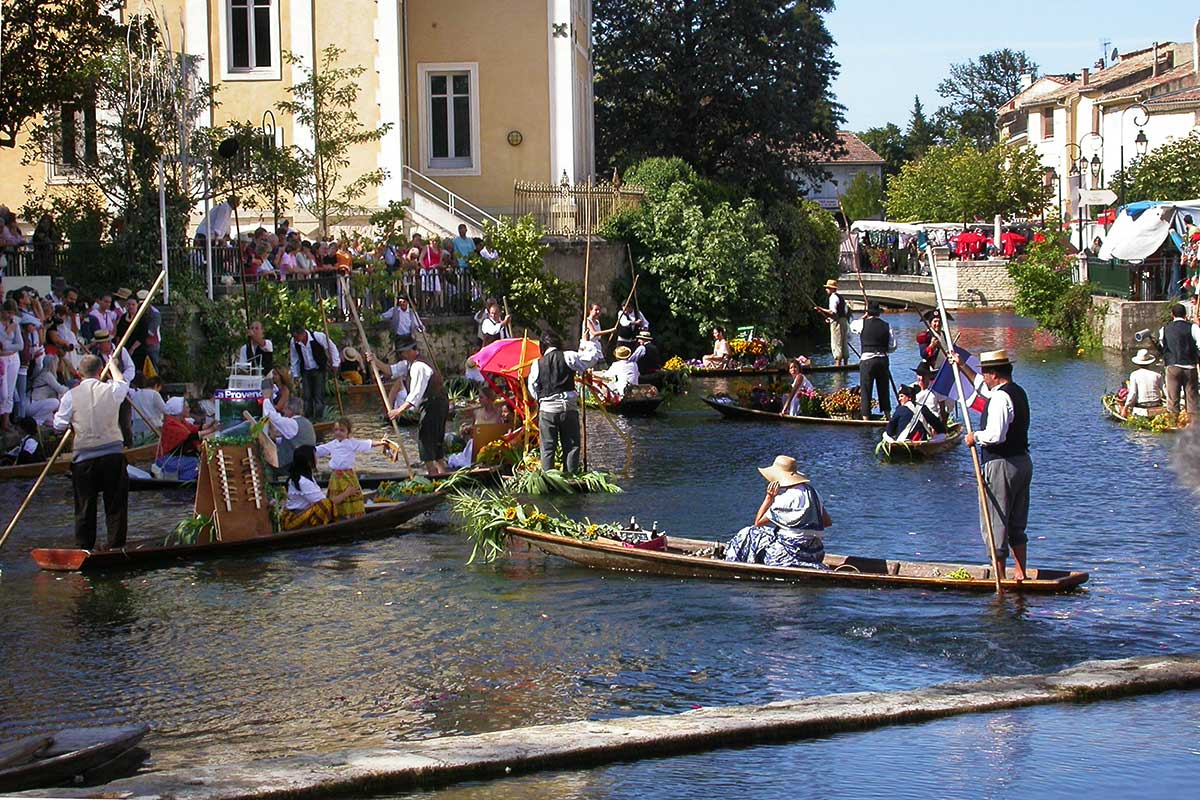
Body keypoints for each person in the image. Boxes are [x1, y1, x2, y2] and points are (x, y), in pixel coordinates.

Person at [949, 349, 1032, 582]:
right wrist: (961, 364)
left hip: (1001, 464)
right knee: (1017, 522)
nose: (982, 376)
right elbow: (980, 386)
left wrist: (974, 437)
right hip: (1022, 462)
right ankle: (1021, 574)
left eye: (984, 372)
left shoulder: (999, 398)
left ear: (994, 374)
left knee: (995, 521)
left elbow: (995, 435)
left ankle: (1000, 577)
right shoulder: (1017, 392)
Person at [53, 354, 131, 551]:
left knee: (85, 506)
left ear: (79, 374)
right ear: (100, 372)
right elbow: (122, 382)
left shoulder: (70, 396)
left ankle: (85, 547)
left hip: (84, 459)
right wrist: (112, 365)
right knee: (115, 504)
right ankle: (115, 545)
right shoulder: (112, 390)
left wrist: (72, 422)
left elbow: (58, 425)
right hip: (112, 455)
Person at [723, 455, 832, 568]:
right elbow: (827, 522)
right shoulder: (813, 493)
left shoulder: (785, 498)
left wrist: (769, 497)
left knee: (749, 532)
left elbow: (758, 522)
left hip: (790, 554)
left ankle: (734, 563)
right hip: (816, 553)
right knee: (771, 532)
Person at [526, 331, 602, 472]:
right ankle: (570, 476)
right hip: (568, 408)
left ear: (542, 347)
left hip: (547, 410)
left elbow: (532, 386)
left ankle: (549, 479)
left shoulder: (537, 364)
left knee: (548, 448)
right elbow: (592, 359)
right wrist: (587, 342)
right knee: (572, 446)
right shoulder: (569, 356)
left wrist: (541, 399)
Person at [379, 335, 449, 475]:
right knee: (432, 440)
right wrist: (374, 360)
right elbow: (391, 370)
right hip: (432, 404)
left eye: (403, 352)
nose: (401, 355)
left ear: (410, 351)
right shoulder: (408, 364)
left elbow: (416, 394)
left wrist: (398, 410)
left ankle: (435, 475)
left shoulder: (419, 366)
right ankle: (441, 474)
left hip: (434, 404)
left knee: (426, 440)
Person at [315, 417, 388, 519]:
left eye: (342, 430)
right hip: (336, 476)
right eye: (336, 430)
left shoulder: (352, 443)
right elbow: (319, 450)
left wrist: (381, 442)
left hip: (348, 475)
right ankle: (338, 515)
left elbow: (367, 443)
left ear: (348, 432)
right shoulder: (332, 444)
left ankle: (353, 515)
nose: (338, 433)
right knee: (337, 497)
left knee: (351, 495)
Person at [280, 445, 349, 530]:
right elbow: (325, 502)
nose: (317, 458)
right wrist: (347, 493)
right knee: (326, 504)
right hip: (294, 519)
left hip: (302, 513)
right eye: (314, 456)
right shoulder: (303, 481)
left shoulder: (305, 476)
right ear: (309, 462)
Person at [849, 301, 896, 420]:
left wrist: (864, 317)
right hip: (883, 360)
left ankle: (866, 418)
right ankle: (888, 416)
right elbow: (893, 346)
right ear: (879, 313)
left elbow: (851, 326)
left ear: (868, 312)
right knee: (884, 388)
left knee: (866, 390)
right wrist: (884, 350)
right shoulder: (887, 325)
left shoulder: (862, 324)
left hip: (867, 361)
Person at [155, 397, 218, 481]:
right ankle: (185, 482)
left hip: (173, 456)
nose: (189, 409)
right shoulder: (171, 424)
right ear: (180, 410)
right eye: (187, 407)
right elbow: (190, 437)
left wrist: (211, 424)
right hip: (167, 459)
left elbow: (196, 428)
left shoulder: (180, 421)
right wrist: (211, 429)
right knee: (195, 462)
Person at [1158, 303, 1200, 417]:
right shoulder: (1193, 327)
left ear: (1172, 315)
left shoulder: (1164, 329)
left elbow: (1163, 345)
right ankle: (1193, 424)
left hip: (1172, 366)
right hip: (1189, 365)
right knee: (1192, 397)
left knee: (1172, 398)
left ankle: (1173, 422)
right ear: (1185, 315)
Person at [289, 325, 340, 419]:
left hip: (319, 369)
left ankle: (319, 418)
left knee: (318, 395)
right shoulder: (294, 342)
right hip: (305, 371)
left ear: (303, 333)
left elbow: (332, 348)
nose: (296, 340)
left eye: (297, 337)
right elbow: (294, 358)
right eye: (294, 337)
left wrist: (335, 363)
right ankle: (309, 418)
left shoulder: (318, 336)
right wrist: (295, 375)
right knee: (307, 396)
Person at [262, 395, 316, 473]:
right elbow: (294, 439)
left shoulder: (292, 423)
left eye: (285, 408)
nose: (283, 411)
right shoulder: (306, 422)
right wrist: (276, 440)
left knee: (266, 467)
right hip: (304, 463)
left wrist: (266, 400)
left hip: (291, 465)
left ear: (291, 410)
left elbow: (275, 419)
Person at [814, 279, 850, 366]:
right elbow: (843, 312)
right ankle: (845, 364)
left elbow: (832, 312)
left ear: (831, 289)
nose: (826, 290)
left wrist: (820, 309)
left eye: (827, 288)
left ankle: (838, 365)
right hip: (844, 321)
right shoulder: (841, 297)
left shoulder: (833, 297)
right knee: (844, 342)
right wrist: (830, 319)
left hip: (837, 323)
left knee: (836, 343)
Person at [1122, 348, 1165, 413]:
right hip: (1157, 404)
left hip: (1142, 405)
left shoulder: (1134, 375)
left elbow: (1133, 393)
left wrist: (1126, 406)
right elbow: (1165, 390)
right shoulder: (1157, 375)